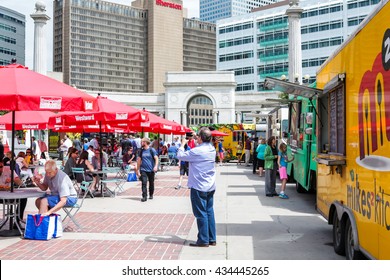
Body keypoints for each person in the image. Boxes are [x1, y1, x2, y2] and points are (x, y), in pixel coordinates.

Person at [176, 127, 217, 247]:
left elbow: (180, 156)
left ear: (200, 138)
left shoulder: (197, 151)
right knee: (209, 211)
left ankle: (203, 240)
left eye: (198, 136)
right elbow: (203, 143)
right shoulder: (212, 149)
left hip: (198, 186)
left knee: (200, 213)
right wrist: (197, 137)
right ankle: (211, 238)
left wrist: (182, 144)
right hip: (210, 185)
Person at [0, 161, 25, 226]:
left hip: (9, 195)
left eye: (1, 167)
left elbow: (20, 183)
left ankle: (17, 221)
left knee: (23, 198)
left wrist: (13, 179)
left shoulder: (9, 169)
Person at [136, 137, 159, 202]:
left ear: (145, 143)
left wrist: (155, 166)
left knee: (151, 183)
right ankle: (144, 196)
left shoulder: (152, 150)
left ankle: (151, 194)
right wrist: (137, 170)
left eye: (142, 142)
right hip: (143, 170)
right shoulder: (141, 151)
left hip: (151, 170)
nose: (141, 143)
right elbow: (139, 161)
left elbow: (156, 158)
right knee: (144, 183)